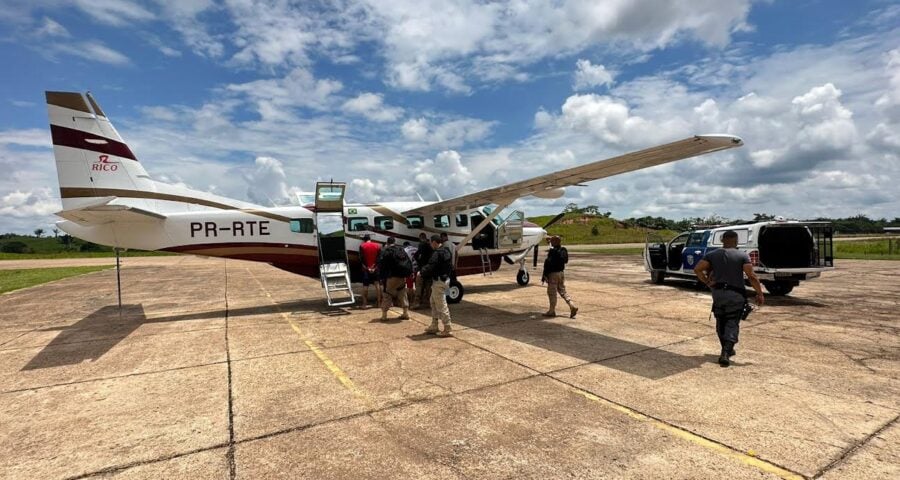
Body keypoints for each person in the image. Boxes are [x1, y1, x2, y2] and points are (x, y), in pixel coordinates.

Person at [694, 230, 765, 367]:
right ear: (736, 240)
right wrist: (760, 293)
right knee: (732, 322)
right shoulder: (742, 256)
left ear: (722, 240)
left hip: (718, 294)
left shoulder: (712, 255)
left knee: (721, 322)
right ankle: (725, 353)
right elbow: (751, 276)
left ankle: (727, 349)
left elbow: (697, 269)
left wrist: (707, 282)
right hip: (735, 294)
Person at [420, 234, 453, 336]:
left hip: (438, 281)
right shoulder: (447, 251)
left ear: (434, 242)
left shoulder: (437, 253)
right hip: (444, 279)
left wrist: (421, 272)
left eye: (431, 242)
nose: (430, 245)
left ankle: (447, 328)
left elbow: (431, 266)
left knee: (440, 304)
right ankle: (434, 325)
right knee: (433, 302)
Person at [541, 235, 577, 318]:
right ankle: (572, 305)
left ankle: (551, 311)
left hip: (553, 274)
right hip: (561, 273)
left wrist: (545, 275)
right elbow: (566, 260)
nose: (551, 242)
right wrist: (550, 242)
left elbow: (548, 263)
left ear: (555, 242)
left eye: (552, 241)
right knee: (562, 291)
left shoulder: (552, 251)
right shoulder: (563, 250)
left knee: (552, 293)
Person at [377, 237, 412, 321]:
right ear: (394, 242)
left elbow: (382, 265)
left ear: (387, 243)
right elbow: (408, 261)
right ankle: (405, 313)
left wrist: (381, 277)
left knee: (387, 294)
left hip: (391, 277)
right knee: (402, 292)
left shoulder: (386, 251)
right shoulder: (401, 250)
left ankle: (384, 315)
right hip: (402, 276)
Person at [358, 234, 382, 309]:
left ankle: (365, 304)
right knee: (377, 285)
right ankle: (379, 303)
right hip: (375, 268)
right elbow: (379, 258)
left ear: (364, 240)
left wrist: (368, 268)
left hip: (366, 269)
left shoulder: (362, 246)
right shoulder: (377, 246)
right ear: (370, 239)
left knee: (365, 286)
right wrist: (374, 267)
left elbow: (361, 259)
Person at [413, 232, 433, 309]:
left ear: (420, 238)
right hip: (429, 270)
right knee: (429, 287)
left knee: (419, 286)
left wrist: (419, 262)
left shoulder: (421, 245)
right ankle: (430, 303)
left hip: (421, 269)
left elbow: (415, 255)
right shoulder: (430, 246)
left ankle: (417, 302)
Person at [403, 241, 417, 306]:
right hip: (417, 268)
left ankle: (410, 300)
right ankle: (416, 300)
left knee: (409, 286)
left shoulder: (405, 250)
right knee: (417, 285)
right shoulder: (416, 248)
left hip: (410, 269)